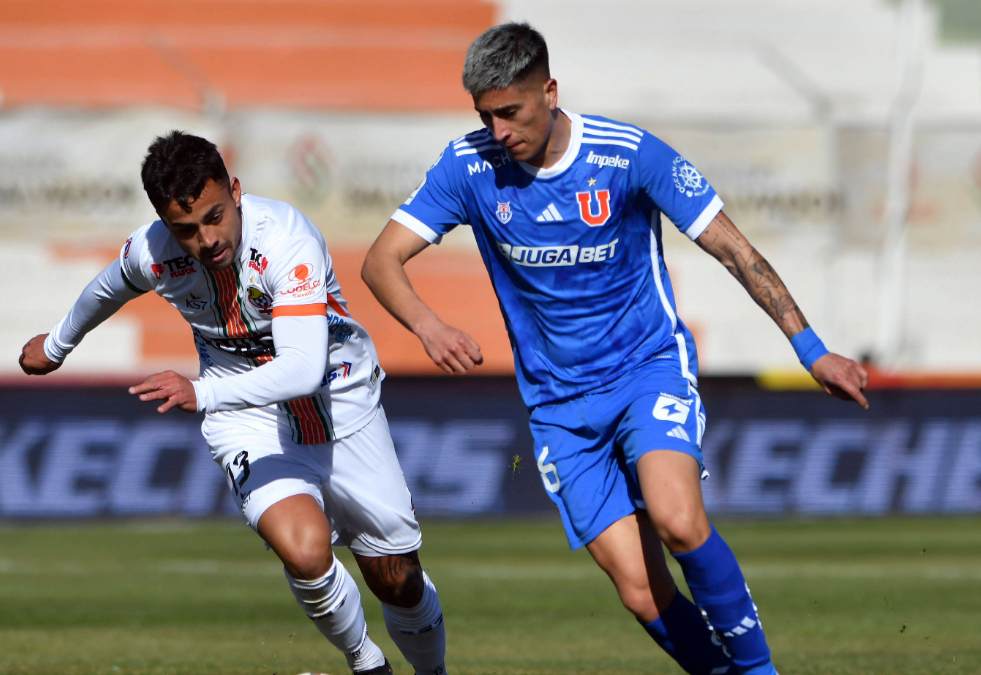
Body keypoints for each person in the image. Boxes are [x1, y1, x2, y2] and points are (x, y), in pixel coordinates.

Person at [362, 23, 869, 675]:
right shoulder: (467, 166)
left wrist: (812, 349)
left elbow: (735, 251)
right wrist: (429, 325)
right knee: (639, 591)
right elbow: (381, 260)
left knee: (678, 519)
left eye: (510, 112)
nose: (498, 131)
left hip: (646, 372)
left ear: (549, 92)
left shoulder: (628, 155)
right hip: (558, 407)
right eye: (485, 116)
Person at [19, 131, 448, 675]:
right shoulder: (153, 251)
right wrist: (57, 344)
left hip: (341, 403)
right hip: (248, 419)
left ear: (236, 191)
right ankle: (367, 663)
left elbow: (301, 369)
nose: (207, 239)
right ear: (164, 223)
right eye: (186, 229)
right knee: (305, 552)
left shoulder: (286, 238)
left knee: (396, 580)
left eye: (215, 216)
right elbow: (108, 286)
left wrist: (200, 392)